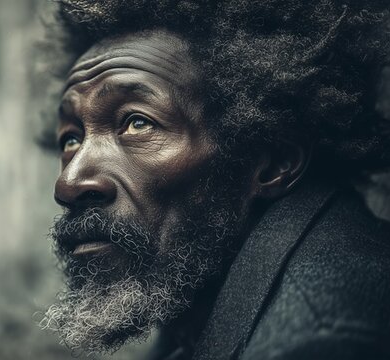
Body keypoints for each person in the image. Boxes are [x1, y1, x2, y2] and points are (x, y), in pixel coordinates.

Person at [38, 1, 390, 359]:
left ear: (272, 164)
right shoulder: (195, 296)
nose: (68, 183)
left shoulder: (320, 342)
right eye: (72, 138)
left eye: (137, 123)